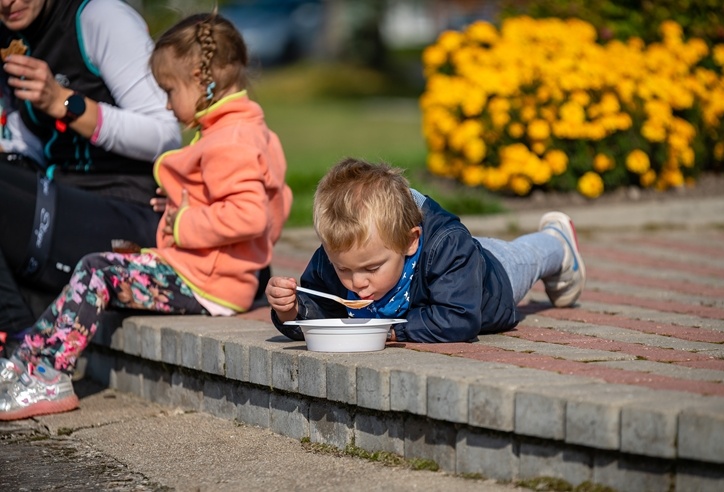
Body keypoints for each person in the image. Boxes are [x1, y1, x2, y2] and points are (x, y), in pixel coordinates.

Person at [0, 12, 292, 420]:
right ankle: (29, 358)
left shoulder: (232, 138)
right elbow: (277, 203)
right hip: (209, 272)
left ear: (201, 79)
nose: (168, 106)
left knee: (98, 271)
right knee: (101, 267)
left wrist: (182, 222)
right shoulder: (246, 130)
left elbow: (249, 216)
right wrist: (187, 205)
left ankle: (46, 372)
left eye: (170, 91)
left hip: (208, 282)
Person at [0, 0, 182, 352]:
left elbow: (164, 134)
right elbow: (30, 145)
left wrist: (63, 102)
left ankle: (28, 356)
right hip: (61, 203)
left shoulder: (100, 17)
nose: (9, 1)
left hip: (133, 212)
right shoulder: (11, 35)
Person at [267, 158, 585, 343]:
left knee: (526, 256)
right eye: (345, 270)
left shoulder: (446, 245)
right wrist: (292, 311)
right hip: (457, 263)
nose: (356, 282)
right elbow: (321, 309)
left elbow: (459, 317)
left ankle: (557, 240)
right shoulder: (340, 253)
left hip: (491, 280)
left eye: (372, 269)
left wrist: (392, 332)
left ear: (410, 241)